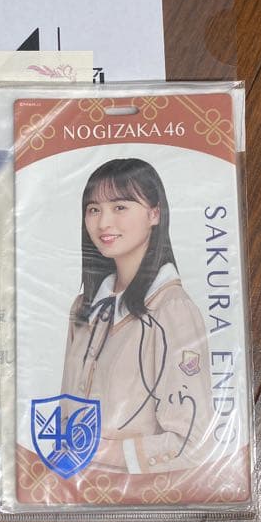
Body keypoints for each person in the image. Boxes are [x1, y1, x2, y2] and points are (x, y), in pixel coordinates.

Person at [60, 158, 214, 474]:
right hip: (73, 486)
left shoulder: (172, 310)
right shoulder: (84, 309)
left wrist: (99, 450)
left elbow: (194, 444)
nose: (103, 222)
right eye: (93, 209)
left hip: (135, 491)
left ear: (154, 214)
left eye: (120, 207)